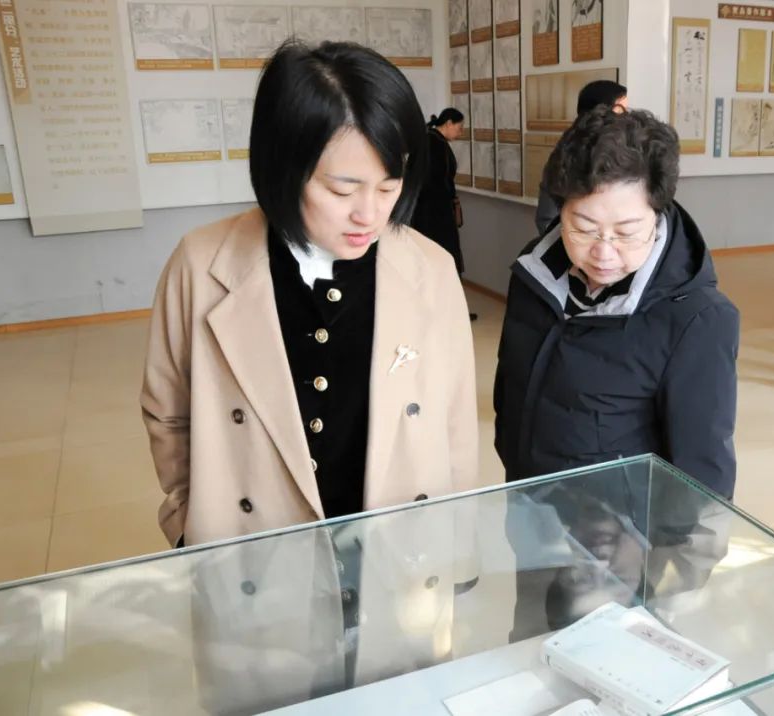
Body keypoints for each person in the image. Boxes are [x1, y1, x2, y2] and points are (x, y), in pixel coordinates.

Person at [141, 40, 482, 548]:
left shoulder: (430, 268)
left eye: (388, 186)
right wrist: (188, 525)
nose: (369, 215)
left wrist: (460, 554)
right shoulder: (200, 265)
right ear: (283, 166)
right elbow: (168, 413)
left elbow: (456, 423)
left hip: (398, 549)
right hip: (254, 551)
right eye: (342, 190)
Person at [495, 107, 739, 499]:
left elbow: (703, 471)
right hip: (528, 499)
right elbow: (511, 387)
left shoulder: (696, 319)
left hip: (618, 526)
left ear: (657, 214)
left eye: (626, 233)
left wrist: (671, 542)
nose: (603, 253)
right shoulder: (534, 275)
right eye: (583, 228)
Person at [534, 80, 628, 235]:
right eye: (620, 110)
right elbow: (547, 218)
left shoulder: (628, 152)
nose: (626, 117)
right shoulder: (568, 156)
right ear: (599, 112)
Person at [411, 107, 476, 320]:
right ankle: (449, 312)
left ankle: (441, 310)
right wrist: (451, 197)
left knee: (434, 260)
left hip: (427, 212)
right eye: (459, 127)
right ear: (448, 123)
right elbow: (437, 181)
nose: (461, 132)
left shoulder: (429, 140)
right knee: (444, 259)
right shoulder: (435, 144)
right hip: (435, 214)